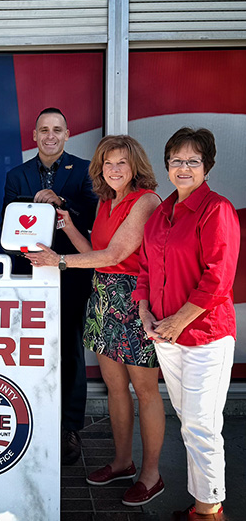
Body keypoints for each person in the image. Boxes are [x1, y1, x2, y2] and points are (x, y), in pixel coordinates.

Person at [28, 135, 165, 505]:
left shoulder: (146, 200)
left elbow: (117, 254)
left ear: (135, 165)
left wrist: (56, 261)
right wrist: (68, 227)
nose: (115, 169)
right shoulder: (107, 201)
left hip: (135, 301)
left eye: (122, 162)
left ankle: (151, 475)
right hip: (102, 297)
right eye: (108, 163)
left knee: (145, 391)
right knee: (115, 387)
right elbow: (96, 252)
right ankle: (122, 462)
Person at [134, 128, 240, 521]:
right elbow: (145, 268)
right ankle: (203, 505)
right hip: (166, 335)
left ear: (206, 166)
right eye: (177, 160)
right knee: (189, 423)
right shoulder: (161, 213)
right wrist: (144, 310)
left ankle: (209, 511)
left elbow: (218, 278)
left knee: (202, 427)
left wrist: (178, 321)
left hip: (204, 338)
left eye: (192, 161)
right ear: (166, 165)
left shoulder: (217, 210)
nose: (183, 168)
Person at [3, 107, 97, 465]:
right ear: (34, 134)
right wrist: (33, 205)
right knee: (30, 349)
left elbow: (93, 217)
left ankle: (70, 427)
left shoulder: (86, 170)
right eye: (44, 129)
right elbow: (8, 223)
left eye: (57, 129)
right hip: (28, 274)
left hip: (72, 272)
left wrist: (62, 202)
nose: (50, 135)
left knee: (70, 350)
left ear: (67, 133)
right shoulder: (17, 175)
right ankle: (33, 421)